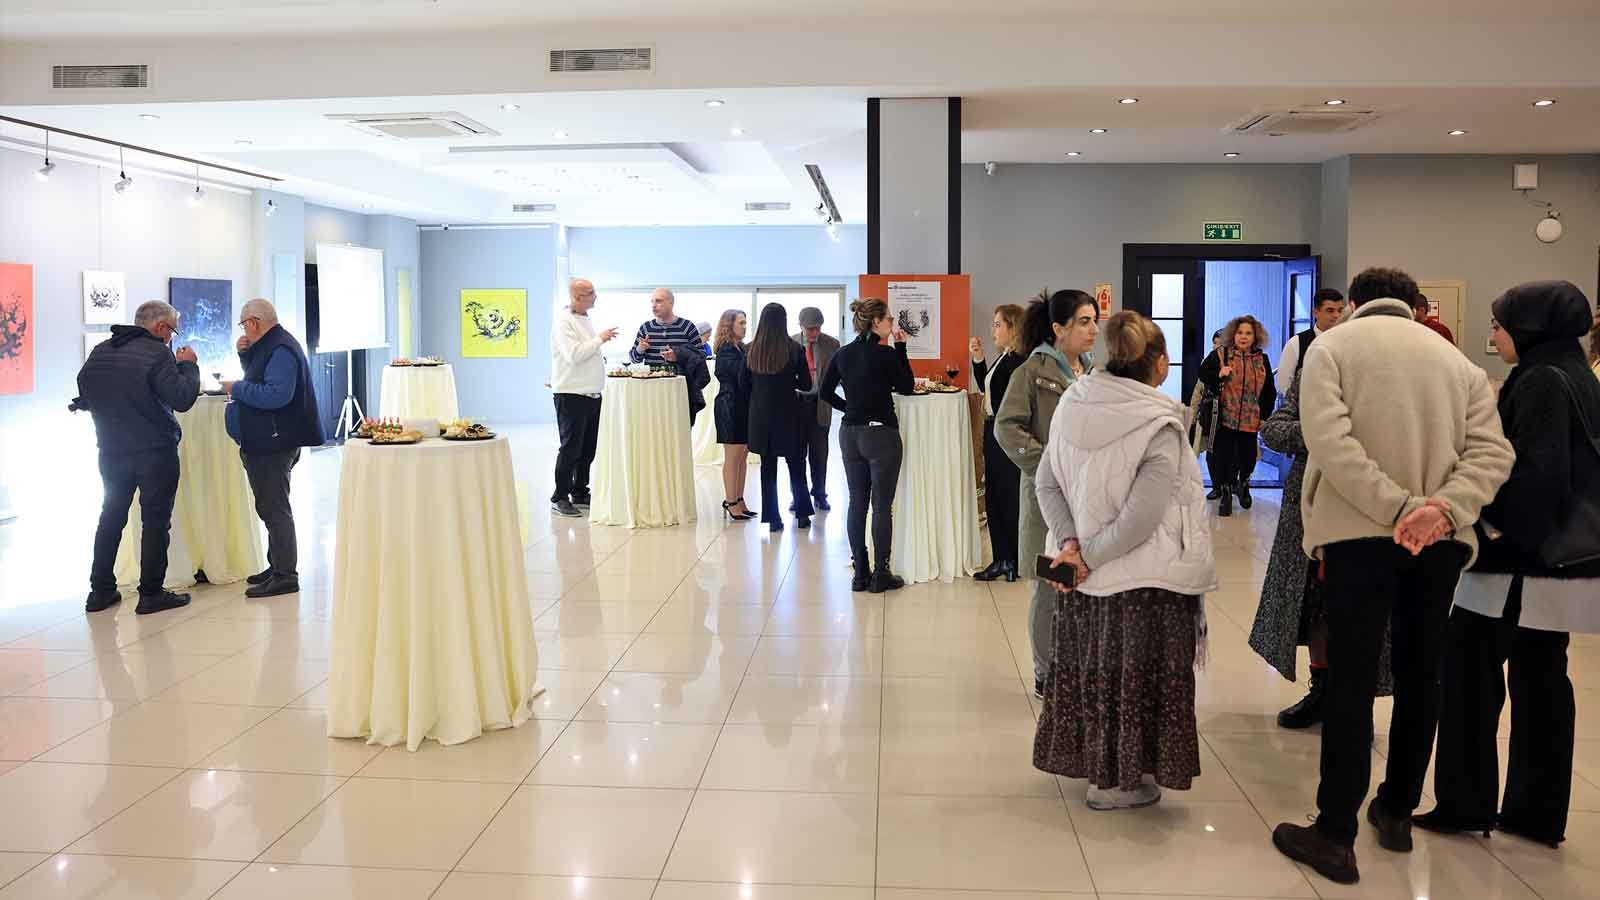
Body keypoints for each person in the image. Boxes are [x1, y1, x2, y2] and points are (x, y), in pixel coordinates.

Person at [1271, 267, 1514, 886]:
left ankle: (1335, 831)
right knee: (1420, 671)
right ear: (1414, 306)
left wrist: (1394, 508)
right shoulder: (1456, 362)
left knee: (1351, 678)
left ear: (1354, 304)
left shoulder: (1333, 348)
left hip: (1358, 538)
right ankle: (1398, 808)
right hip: (1438, 543)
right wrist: (1440, 511)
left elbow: (1329, 442)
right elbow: (1493, 454)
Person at [1416, 280, 1600, 848]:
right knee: (1543, 681)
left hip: (1516, 563)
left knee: (1470, 678)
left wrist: (1482, 521)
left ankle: (1465, 803)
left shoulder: (1542, 380)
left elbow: (1536, 477)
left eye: (1500, 325)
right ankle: (1535, 812)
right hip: (1559, 565)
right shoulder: (1575, 372)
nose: (1493, 336)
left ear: (1530, 327)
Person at [1032, 311, 1216, 811]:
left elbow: (1046, 482)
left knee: (1093, 672)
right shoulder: (1159, 422)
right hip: (1143, 582)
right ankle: (1121, 782)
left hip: (1080, 580)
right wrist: (1088, 555)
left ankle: (1097, 768)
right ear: (1159, 364)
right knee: (1134, 679)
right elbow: (1143, 517)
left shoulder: (1073, 402)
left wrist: (1072, 547)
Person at [1251, 326, 1394, 730]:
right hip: (1310, 510)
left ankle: (1356, 705)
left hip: (1368, 509)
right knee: (1314, 605)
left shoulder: (1390, 384)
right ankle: (1322, 688)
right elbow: (1275, 428)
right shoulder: (1312, 373)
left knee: (1362, 610)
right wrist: (1320, 433)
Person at [995, 289, 1097, 698]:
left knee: (1084, 584)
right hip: (1047, 497)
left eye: (1095, 320)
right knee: (1049, 585)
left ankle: (1078, 667)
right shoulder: (1031, 372)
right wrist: (1048, 466)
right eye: (1084, 322)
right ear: (1059, 329)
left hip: (1089, 498)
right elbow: (1007, 427)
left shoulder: (1091, 373)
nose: (1094, 330)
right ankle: (1045, 671)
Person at [75, 300, 200, 615]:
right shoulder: (158, 353)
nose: (172, 337)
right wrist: (188, 365)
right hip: (154, 451)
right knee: (155, 520)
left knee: (111, 517)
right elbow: (183, 398)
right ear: (160, 328)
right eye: (172, 330)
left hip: (111, 450)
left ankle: (100, 590)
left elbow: (85, 389)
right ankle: (151, 594)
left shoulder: (101, 351)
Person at [221, 298, 325, 599]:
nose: (243, 330)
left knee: (275, 508)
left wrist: (235, 387)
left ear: (254, 322)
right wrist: (245, 356)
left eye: (244, 324)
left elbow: (277, 395)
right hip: (269, 439)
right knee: (269, 505)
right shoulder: (272, 345)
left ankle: (285, 575)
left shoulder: (280, 349)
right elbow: (261, 376)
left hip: (274, 442)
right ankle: (277, 564)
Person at [818, 297, 915, 592]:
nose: (892, 324)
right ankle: (881, 574)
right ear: (876, 323)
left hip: (850, 434)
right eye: (889, 319)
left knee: (857, 502)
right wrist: (901, 348)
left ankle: (860, 572)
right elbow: (907, 387)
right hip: (881, 434)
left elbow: (824, 391)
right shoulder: (885, 354)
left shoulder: (842, 354)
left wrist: (849, 408)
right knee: (882, 505)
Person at [741, 303, 814, 533]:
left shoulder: (750, 349)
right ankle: (802, 514)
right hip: (789, 415)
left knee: (767, 468)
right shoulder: (794, 349)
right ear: (784, 322)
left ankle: (773, 518)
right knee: (796, 465)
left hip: (761, 417)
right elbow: (806, 384)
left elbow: (743, 385)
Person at [549, 278, 617, 518]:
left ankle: (580, 491)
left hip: (591, 393)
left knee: (588, 448)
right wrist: (601, 339)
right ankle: (559, 496)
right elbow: (574, 355)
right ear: (576, 297)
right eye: (590, 292)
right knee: (571, 448)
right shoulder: (564, 322)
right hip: (571, 394)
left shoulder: (584, 319)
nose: (595, 295)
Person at [969, 303, 1027, 582]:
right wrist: (978, 359)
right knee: (996, 496)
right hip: (995, 432)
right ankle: (1004, 558)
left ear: (1012, 328)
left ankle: (1010, 559)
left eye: (997, 324)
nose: (992, 330)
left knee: (1005, 497)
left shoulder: (1017, 361)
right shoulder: (1004, 357)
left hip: (1005, 434)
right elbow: (987, 389)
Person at [1197, 315, 1276, 517]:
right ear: (1233, 334)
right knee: (1223, 457)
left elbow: (1269, 391)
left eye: (1248, 333)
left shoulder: (1262, 360)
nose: (1244, 337)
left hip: (1251, 419)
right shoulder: (1222, 354)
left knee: (1248, 458)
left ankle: (1243, 483)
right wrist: (1219, 374)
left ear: (1255, 336)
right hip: (1225, 417)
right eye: (1240, 332)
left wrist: (1265, 416)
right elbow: (1203, 374)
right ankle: (1225, 492)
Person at [790, 307, 840, 512]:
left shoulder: (832, 345)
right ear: (800, 326)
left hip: (821, 406)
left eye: (817, 328)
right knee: (796, 455)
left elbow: (839, 375)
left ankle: (819, 494)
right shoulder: (790, 344)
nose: (814, 333)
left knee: (820, 455)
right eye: (810, 329)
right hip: (797, 406)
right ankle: (798, 497)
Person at [713, 309, 756, 521]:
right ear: (729, 325)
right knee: (733, 457)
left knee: (743, 456)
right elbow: (736, 376)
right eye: (741, 323)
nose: (745, 326)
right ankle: (731, 501)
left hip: (743, 405)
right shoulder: (726, 349)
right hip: (729, 405)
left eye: (745, 322)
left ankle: (739, 499)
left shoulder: (740, 348)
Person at [1276, 288, 1346, 394]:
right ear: (1315, 312)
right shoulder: (1296, 343)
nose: (1336, 315)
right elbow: (1284, 383)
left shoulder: (1348, 342)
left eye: (1340, 310)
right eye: (1330, 310)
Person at [629, 288, 700, 366]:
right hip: (653, 378)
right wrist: (640, 349)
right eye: (652, 301)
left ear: (671, 303)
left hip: (682, 378)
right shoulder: (645, 328)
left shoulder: (687, 326)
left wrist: (679, 356)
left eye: (658, 301)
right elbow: (633, 360)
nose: (654, 305)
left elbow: (701, 355)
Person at [1188, 330, 1224, 456]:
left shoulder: (1234, 363)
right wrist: (1191, 417)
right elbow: (1198, 391)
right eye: (1215, 343)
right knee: (1210, 452)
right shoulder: (1207, 363)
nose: (1217, 347)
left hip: (1228, 417)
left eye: (1221, 344)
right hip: (1209, 412)